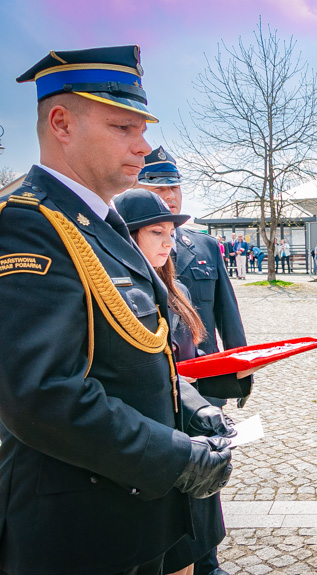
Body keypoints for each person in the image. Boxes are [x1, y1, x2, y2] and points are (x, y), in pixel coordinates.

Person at [0, 45, 232, 575]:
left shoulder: (100, 223)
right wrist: (173, 456)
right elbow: (41, 392)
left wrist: (190, 407)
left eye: (141, 128)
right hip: (74, 533)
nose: (144, 145)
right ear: (61, 122)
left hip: (128, 519)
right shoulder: (29, 225)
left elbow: (137, 351)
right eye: (123, 127)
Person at [136, 147, 251, 574]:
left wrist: (240, 369)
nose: (170, 194)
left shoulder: (203, 244)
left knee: (209, 476)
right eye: (159, 186)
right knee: (173, 476)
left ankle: (208, 560)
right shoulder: (128, 244)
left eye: (174, 186)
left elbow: (227, 314)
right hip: (160, 387)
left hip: (204, 389)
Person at [113, 189, 236, 575]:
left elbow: (189, 358)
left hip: (188, 432)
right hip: (154, 442)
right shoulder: (116, 295)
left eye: (170, 231)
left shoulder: (177, 290)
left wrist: (234, 369)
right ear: (127, 237)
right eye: (156, 233)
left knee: (189, 551)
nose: (170, 241)